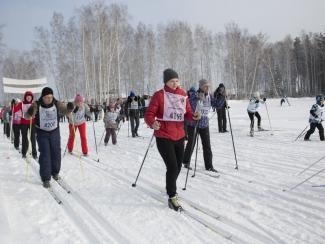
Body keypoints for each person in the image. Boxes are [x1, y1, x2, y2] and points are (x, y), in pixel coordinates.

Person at [144, 68, 201, 211]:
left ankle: (170, 186)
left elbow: (187, 113)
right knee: (172, 167)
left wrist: (193, 116)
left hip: (179, 136)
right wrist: (153, 123)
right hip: (163, 136)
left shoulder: (183, 94)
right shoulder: (159, 95)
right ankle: (172, 196)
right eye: (172, 81)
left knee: (178, 166)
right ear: (166, 82)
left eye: (177, 81)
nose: (175, 84)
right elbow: (149, 114)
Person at [26, 87, 74, 188]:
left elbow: (65, 111)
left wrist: (69, 108)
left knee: (56, 151)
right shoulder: (36, 104)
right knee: (45, 154)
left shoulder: (56, 103)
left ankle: (55, 172)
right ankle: (46, 178)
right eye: (47, 97)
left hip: (54, 131)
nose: (49, 99)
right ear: (43, 97)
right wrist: (30, 112)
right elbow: (27, 116)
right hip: (42, 132)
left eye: (51, 97)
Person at [183, 79, 217, 172]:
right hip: (193, 124)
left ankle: (209, 166)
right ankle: (186, 161)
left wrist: (221, 97)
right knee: (191, 144)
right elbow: (190, 106)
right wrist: (197, 99)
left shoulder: (209, 95)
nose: (207, 88)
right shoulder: (194, 95)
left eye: (208, 86)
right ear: (201, 86)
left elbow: (216, 104)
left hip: (204, 124)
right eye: (205, 86)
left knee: (207, 145)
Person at [16, 91, 38, 159]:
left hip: (32, 123)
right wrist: (15, 106)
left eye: (30, 96)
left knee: (33, 139)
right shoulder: (22, 103)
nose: (28, 97)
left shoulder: (33, 103)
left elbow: (37, 111)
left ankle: (34, 154)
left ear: (31, 97)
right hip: (24, 123)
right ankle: (24, 153)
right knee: (24, 138)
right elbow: (15, 110)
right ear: (25, 97)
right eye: (27, 96)